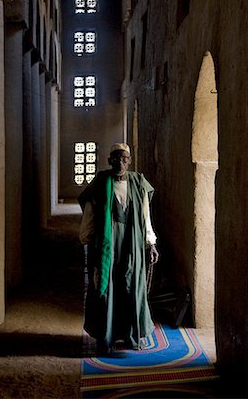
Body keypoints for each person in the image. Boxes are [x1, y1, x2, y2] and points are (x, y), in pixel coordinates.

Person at [78, 143, 159, 355]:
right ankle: (106, 337)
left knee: (131, 286)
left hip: (132, 244)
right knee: (107, 287)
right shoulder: (100, 183)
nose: (120, 162)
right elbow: (90, 215)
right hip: (107, 245)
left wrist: (151, 243)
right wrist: (87, 241)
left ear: (129, 161)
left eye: (124, 158)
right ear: (109, 161)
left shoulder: (138, 182)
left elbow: (145, 216)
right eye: (115, 158)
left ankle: (131, 336)